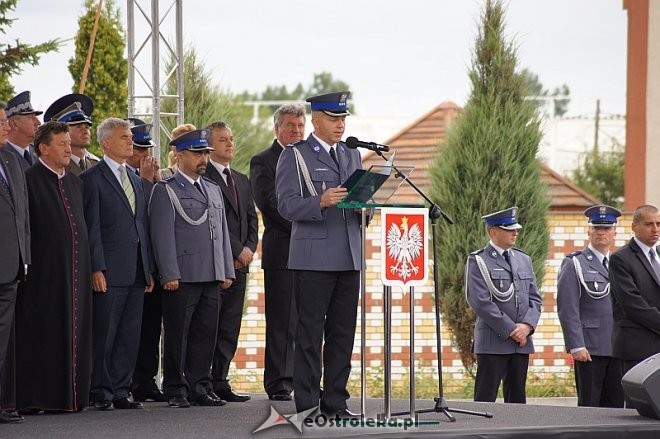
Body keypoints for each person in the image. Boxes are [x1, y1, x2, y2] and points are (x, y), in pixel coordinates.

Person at [275, 91, 363, 417]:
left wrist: (365, 210)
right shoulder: (296, 155)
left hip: (349, 256)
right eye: (334, 118)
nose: (340, 124)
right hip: (313, 258)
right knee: (310, 336)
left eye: (343, 118)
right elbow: (285, 204)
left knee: (342, 335)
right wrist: (320, 202)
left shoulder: (352, 155)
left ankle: (336, 402)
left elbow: (355, 204)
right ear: (316, 119)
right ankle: (309, 405)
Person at [149, 129, 235, 408]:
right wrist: (169, 272)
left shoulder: (211, 188)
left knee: (205, 333)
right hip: (183, 275)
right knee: (177, 333)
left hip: (210, 272)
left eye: (205, 154)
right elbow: (162, 235)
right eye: (198, 154)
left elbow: (220, 232)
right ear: (179, 155)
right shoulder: (166, 188)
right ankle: (176, 387)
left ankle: (200, 386)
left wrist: (225, 269)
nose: (203, 159)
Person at [15, 121, 92, 413]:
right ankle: (40, 398)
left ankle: (72, 397)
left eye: (68, 144)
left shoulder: (75, 181)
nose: (68, 149)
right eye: (61, 144)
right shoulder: (29, 178)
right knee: (44, 332)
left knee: (76, 330)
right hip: (44, 274)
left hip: (76, 271)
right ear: (43, 149)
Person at [80, 117, 155, 411]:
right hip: (109, 270)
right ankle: (100, 390)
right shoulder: (92, 178)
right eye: (124, 137)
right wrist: (96, 267)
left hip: (136, 268)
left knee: (128, 333)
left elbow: (142, 227)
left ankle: (121, 390)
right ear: (107, 142)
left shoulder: (135, 178)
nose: (131, 142)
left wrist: (147, 267)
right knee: (106, 333)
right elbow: (92, 226)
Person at [249, 104, 305, 401]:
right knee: (283, 321)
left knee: (308, 320)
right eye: (290, 126)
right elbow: (270, 204)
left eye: (300, 125)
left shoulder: (310, 158)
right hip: (283, 252)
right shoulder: (263, 162)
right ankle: (279, 382)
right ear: (277, 129)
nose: (296, 131)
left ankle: (306, 379)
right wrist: (309, 222)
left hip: (314, 254)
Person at [464, 207, 542, 404]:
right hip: (493, 342)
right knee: (485, 399)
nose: (515, 233)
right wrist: (511, 329)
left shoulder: (523, 259)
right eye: (509, 229)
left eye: (515, 229)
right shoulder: (479, 260)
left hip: (521, 343)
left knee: (517, 401)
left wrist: (527, 327)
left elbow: (535, 298)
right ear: (493, 232)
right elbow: (480, 301)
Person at [205, 121, 258, 403]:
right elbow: (218, 222)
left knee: (230, 326)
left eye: (232, 138)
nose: (230, 143)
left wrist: (249, 248)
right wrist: (237, 251)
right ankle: (203, 381)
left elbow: (251, 218)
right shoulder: (205, 176)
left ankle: (221, 380)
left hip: (241, 265)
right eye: (223, 139)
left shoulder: (241, 179)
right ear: (210, 145)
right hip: (219, 265)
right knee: (210, 326)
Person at [557, 205, 624, 407]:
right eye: (596, 228)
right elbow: (567, 308)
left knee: (615, 408)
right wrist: (576, 344)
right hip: (590, 347)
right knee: (589, 407)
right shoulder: (574, 263)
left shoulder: (620, 263)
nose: (601, 233)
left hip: (618, 347)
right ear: (589, 231)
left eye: (606, 228)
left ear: (615, 232)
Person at [124, 118, 166, 403]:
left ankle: (146, 379)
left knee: (151, 327)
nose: (145, 156)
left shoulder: (154, 177)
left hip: (152, 264)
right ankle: (124, 380)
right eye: (139, 148)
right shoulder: (129, 177)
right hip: (127, 264)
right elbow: (139, 212)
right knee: (128, 328)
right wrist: (148, 182)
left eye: (147, 149)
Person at [610, 204, 660, 408]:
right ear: (634, 226)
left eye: (658, 224)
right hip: (637, 346)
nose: (655, 229)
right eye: (649, 224)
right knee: (639, 413)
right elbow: (632, 304)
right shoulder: (621, 259)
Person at [0, 101, 30, 424]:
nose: (6, 127)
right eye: (1, 122)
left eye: (7, 121)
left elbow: (22, 213)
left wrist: (26, 258)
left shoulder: (11, 159)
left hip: (11, 268)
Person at [43, 93, 99, 175]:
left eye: (87, 126)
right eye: (78, 126)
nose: (85, 131)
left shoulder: (96, 164)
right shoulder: (55, 166)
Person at [4, 91, 41, 170]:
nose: (38, 122)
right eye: (31, 117)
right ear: (14, 124)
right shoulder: (2, 154)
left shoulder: (39, 153)